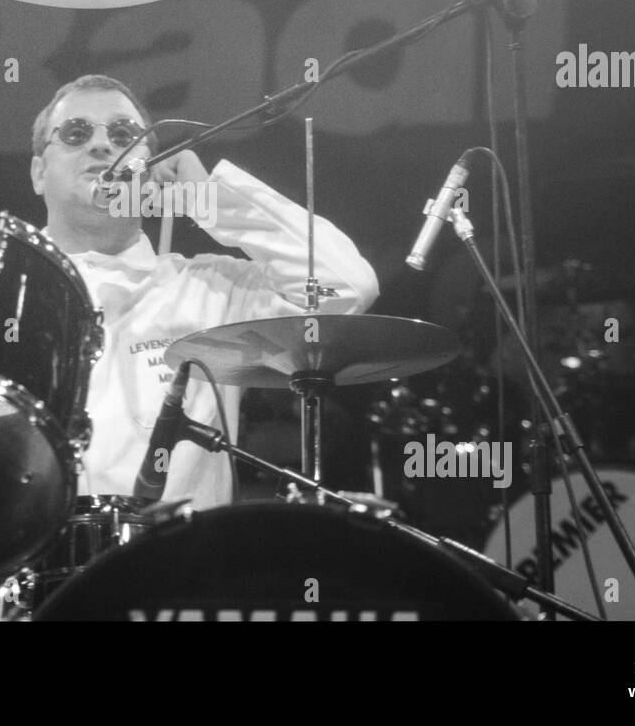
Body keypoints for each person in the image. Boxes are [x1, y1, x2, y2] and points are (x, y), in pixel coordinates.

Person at [30, 74, 379, 509]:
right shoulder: (6, 291)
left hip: (184, 568)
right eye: (76, 133)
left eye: (123, 134)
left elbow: (345, 287)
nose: (102, 146)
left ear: (153, 169)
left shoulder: (212, 288)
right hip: (36, 571)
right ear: (38, 172)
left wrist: (207, 198)